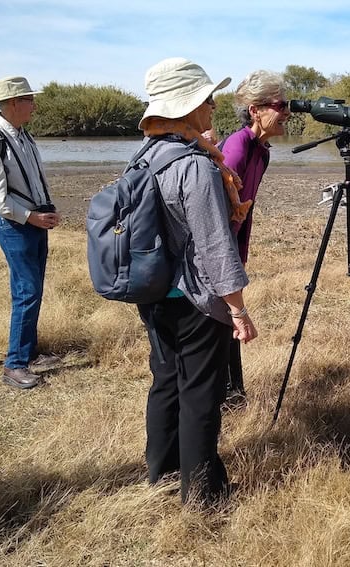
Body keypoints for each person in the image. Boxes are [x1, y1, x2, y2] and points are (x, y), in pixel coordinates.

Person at [135, 57, 259, 507]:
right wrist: (238, 310)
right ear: (187, 108)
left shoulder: (146, 155)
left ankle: (162, 475)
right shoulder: (197, 167)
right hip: (195, 303)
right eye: (206, 98)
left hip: (153, 293)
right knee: (201, 399)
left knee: (165, 384)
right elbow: (215, 247)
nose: (212, 105)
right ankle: (203, 497)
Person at [0, 76, 62, 390]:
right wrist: (32, 217)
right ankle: (15, 365)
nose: (34, 106)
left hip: (32, 222)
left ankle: (29, 354)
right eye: (29, 100)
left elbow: (34, 179)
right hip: (15, 226)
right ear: (13, 103)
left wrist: (47, 208)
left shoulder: (23, 135)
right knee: (27, 292)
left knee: (31, 289)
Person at [219, 70, 290, 406]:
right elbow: (218, 211)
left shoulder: (262, 151)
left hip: (235, 243)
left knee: (226, 324)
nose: (288, 113)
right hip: (220, 247)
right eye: (281, 105)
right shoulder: (236, 148)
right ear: (255, 110)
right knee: (223, 320)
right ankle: (226, 393)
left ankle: (233, 391)